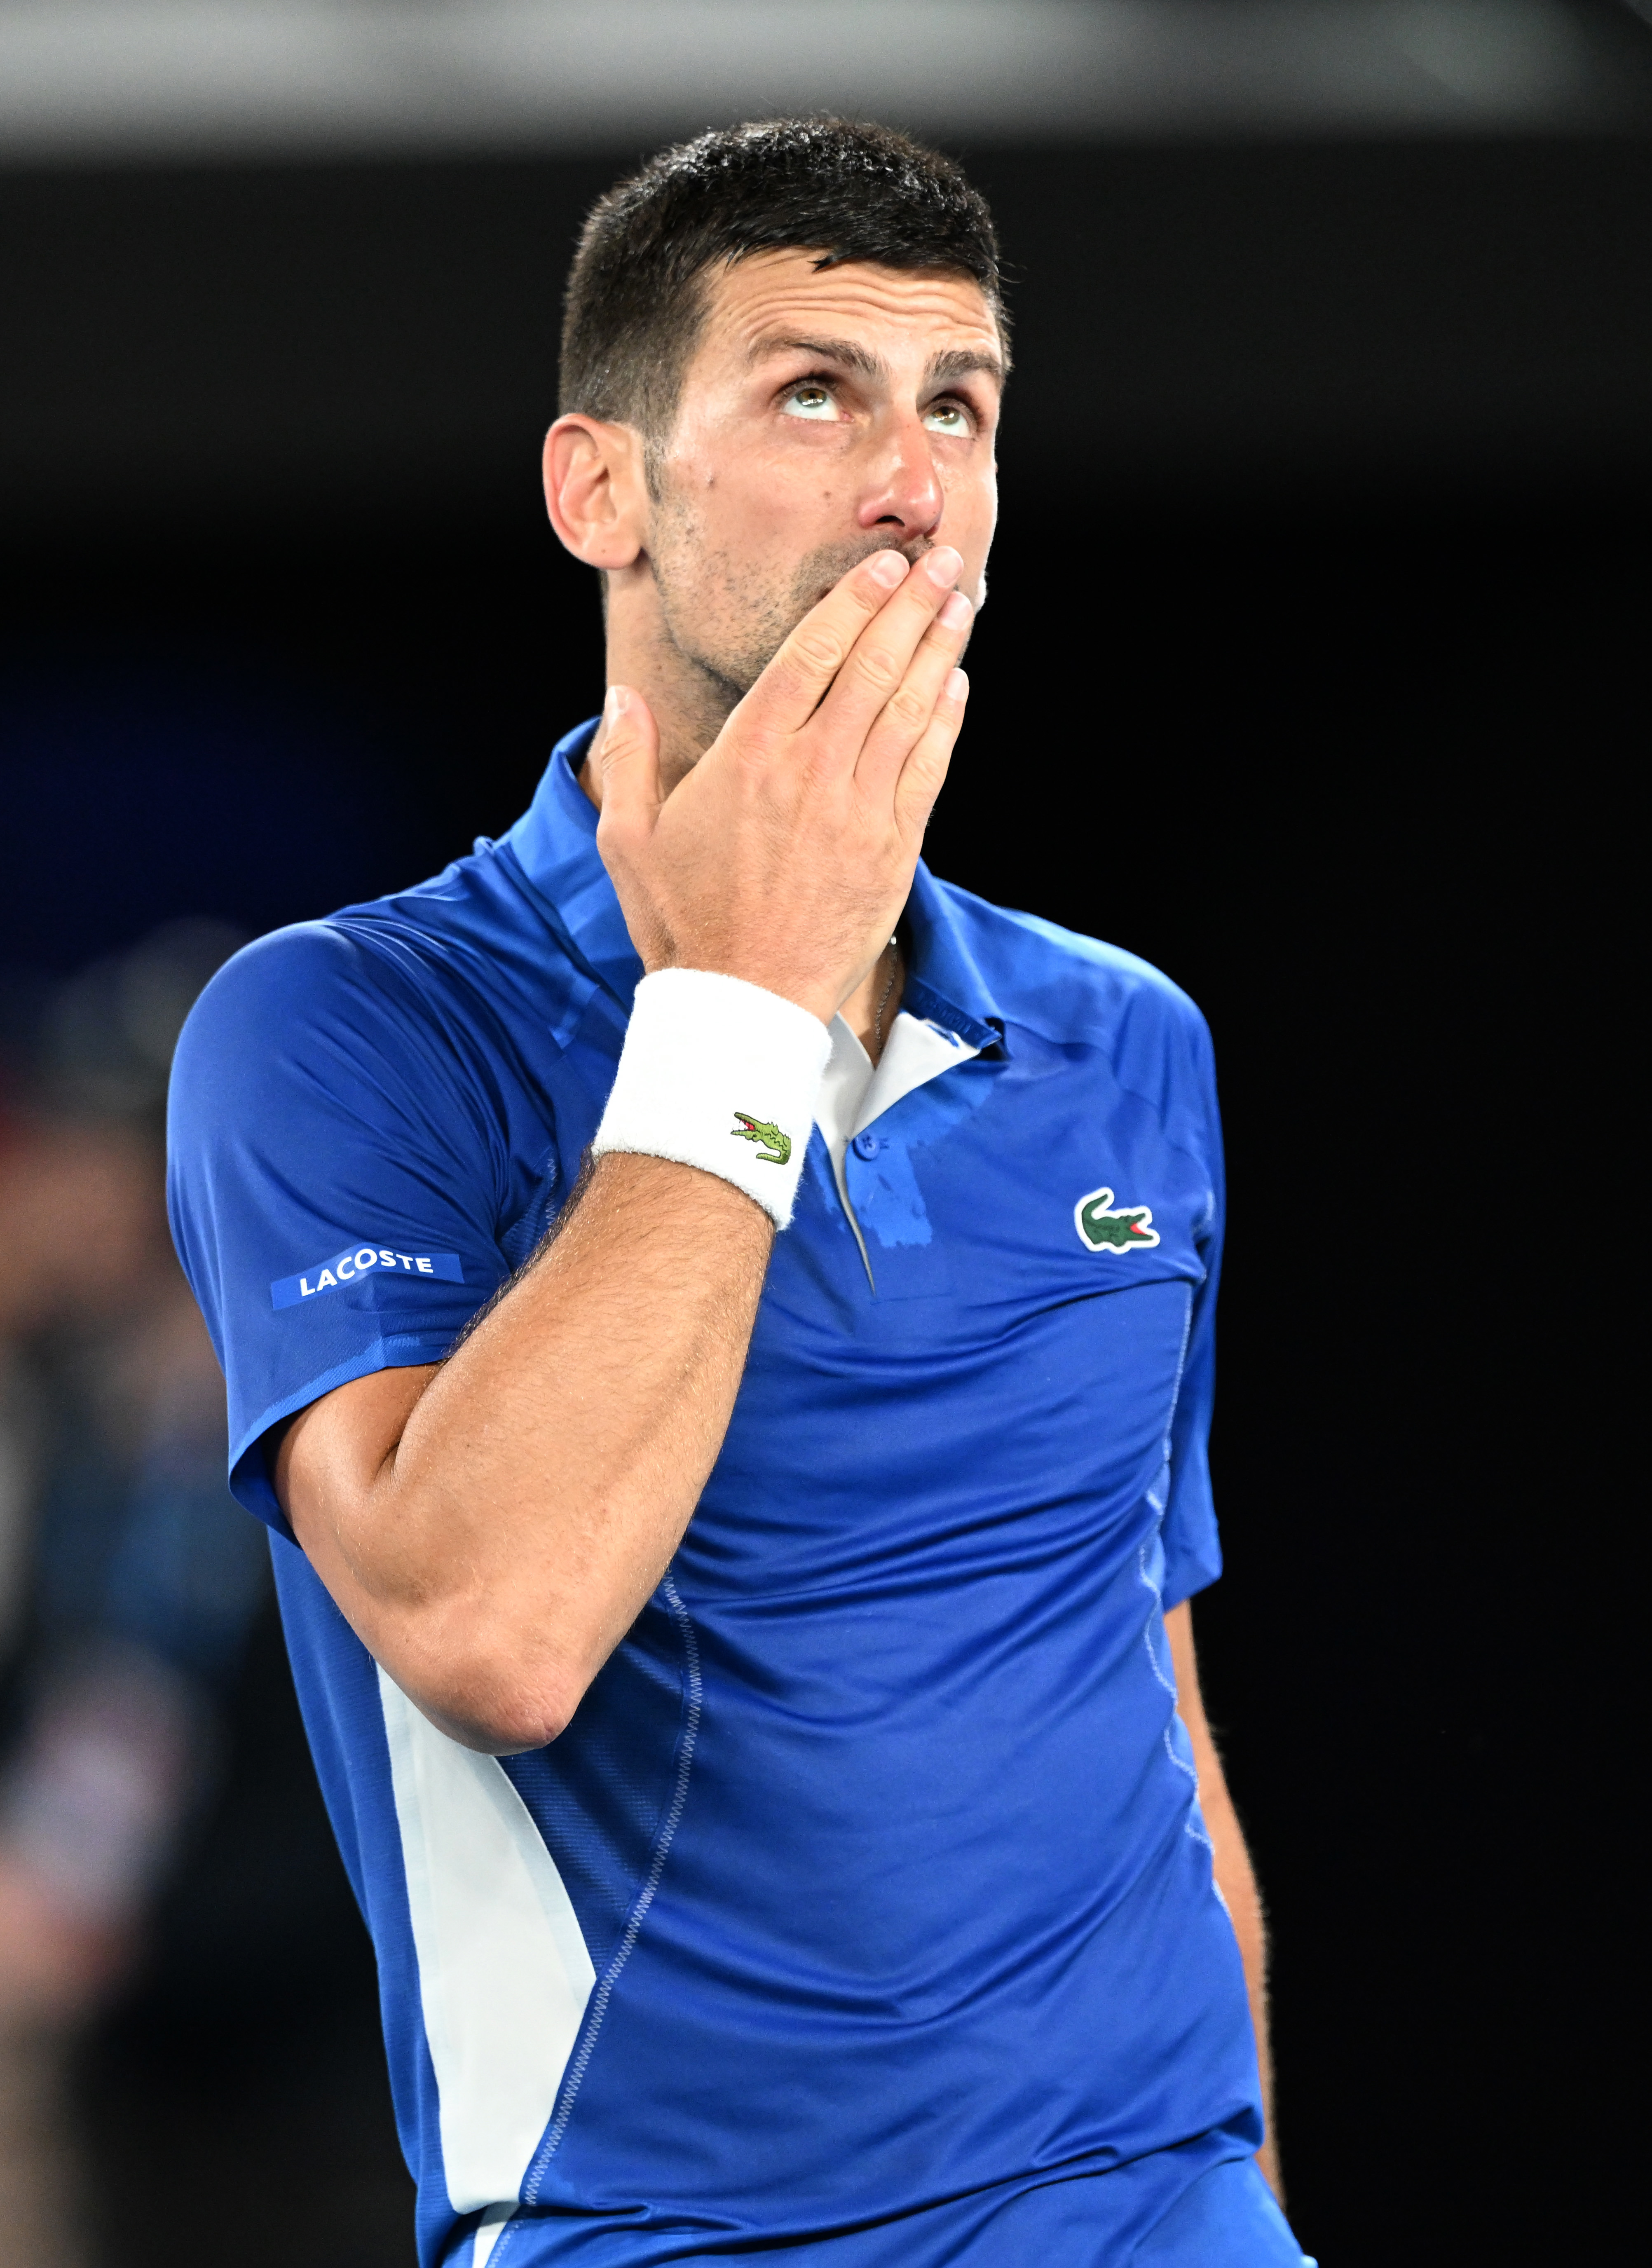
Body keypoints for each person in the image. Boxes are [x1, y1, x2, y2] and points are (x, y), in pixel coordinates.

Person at [168, 119, 1311, 2268]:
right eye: (816, 392)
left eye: (956, 406)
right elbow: (490, 1623)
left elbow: (1141, 1687)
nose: (913, 480)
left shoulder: (1126, 1039)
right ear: (601, 490)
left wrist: (1241, 2177)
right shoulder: (340, 1029)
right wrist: (742, 1007)